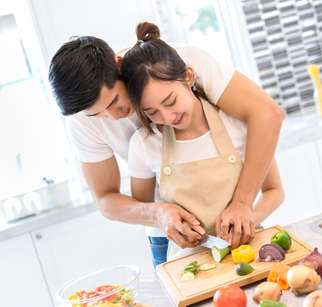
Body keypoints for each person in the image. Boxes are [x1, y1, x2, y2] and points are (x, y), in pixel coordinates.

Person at [48, 24, 285, 267]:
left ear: (119, 67)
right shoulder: (86, 124)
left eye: (114, 101)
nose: (113, 116)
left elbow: (267, 114)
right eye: (96, 114)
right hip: (170, 239)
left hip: (238, 227)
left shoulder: (175, 63)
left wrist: (243, 204)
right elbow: (106, 200)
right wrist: (158, 213)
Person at [122, 22, 284, 260]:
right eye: (152, 112)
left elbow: (274, 190)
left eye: (170, 101)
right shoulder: (144, 144)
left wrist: (248, 218)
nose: (167, 117)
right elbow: (143, 209)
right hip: (189, 266)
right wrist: (166, 221)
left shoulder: (237, 125)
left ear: (188, 77)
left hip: (249, 254)